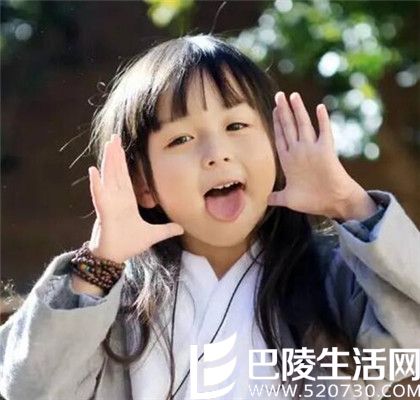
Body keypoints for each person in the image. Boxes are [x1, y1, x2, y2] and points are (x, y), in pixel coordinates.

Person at [1, 34, 419, 400]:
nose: (217, 153)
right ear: (141, 183)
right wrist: (100, 264)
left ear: (276, 148)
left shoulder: (333, 280)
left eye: (236, 126)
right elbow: (27, 388)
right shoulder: (111, 305)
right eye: (181, 138)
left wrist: (350, 204)